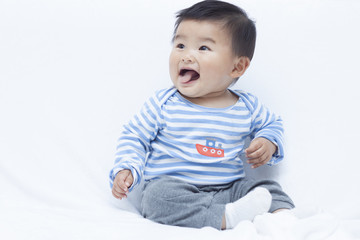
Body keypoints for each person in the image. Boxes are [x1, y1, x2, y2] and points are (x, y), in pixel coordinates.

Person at [109, 0, 294, 230]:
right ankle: (229, 218)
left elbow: (273, 124)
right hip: (177, 189)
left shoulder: (246, 106)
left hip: (229, 189)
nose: (186, 56)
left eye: (203, 48)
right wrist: (127, 168)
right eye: (180, 45)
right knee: (156, 198)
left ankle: (282, 219)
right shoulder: (164, 103)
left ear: (237, 67)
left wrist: (268, 142)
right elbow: (135, 136)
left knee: (267, 189)